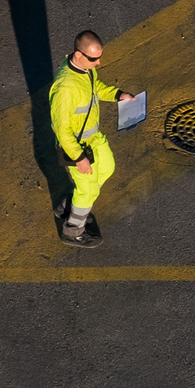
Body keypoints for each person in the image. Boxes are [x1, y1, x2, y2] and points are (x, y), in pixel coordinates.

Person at [47, 31, 134, 247]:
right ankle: (73, 230)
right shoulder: (65, 89)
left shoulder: (85, 70)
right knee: (89, 190)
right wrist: (78, 157)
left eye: (99, 57)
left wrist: (118, 95)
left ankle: (70, 204)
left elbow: (96, 89)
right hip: (77, 147)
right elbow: (61, 130)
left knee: (107, 168)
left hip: (94, 138)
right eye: (94, 59)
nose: (99, 62)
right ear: (78, 55)